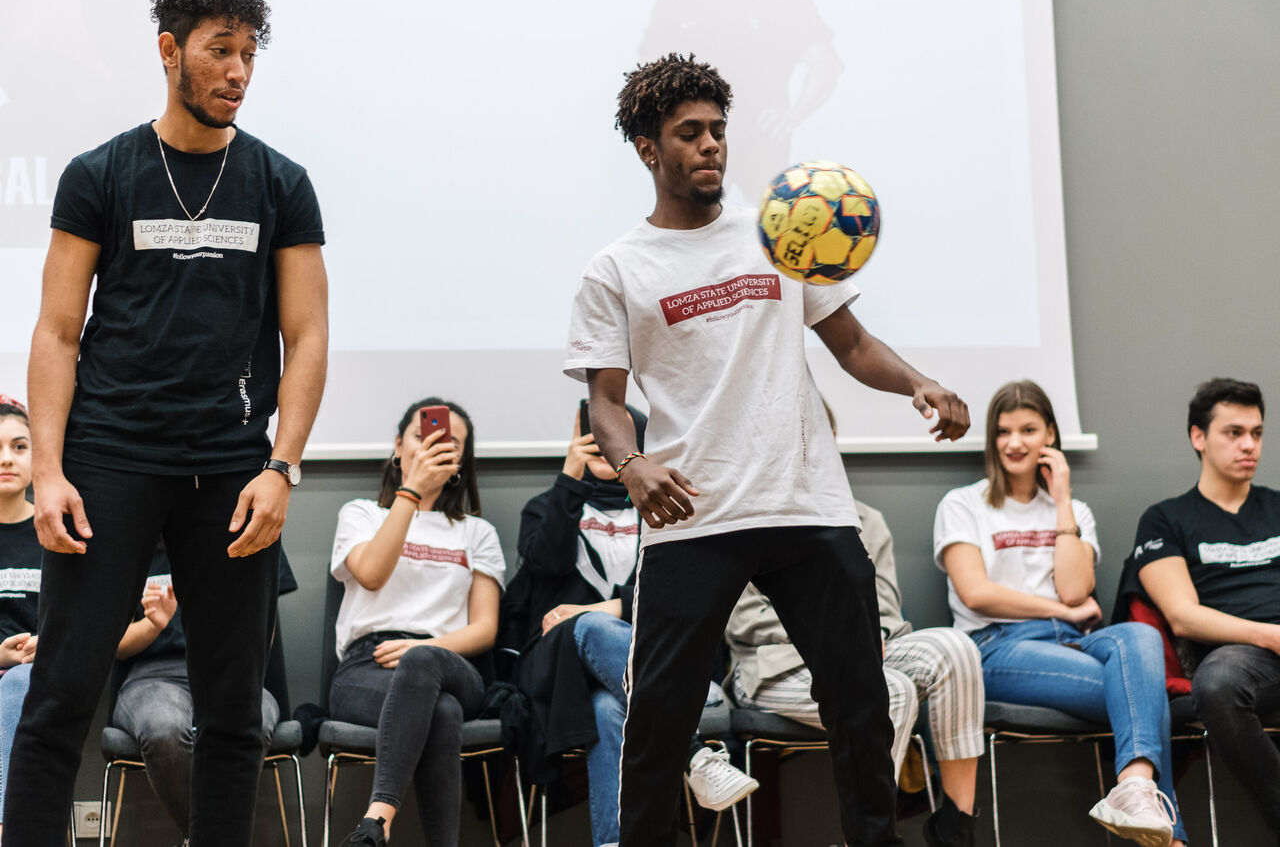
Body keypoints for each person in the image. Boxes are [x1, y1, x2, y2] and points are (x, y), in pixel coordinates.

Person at [564, 53, 969, 847]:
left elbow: (850, 343)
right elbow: (606, 403)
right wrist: (634, 464)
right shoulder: (616, 269)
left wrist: (921, 383)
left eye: (718, 129)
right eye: (690, 133)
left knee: (861, 701)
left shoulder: (776, 231)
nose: (712, 144)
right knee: (657, 720)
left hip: (806, 500)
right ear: (650, 149)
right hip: (694, 513)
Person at [7, 0, 328, 841]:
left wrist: (282, 466)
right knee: (59, 698)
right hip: (109, 459)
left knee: (230, 713)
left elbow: (307, 333)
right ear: (168, 50)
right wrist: (46, 469)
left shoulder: (281, 183)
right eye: (220, 51)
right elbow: (55, 329)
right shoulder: (99, 173)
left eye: (250, 54)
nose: (238, 72)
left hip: (230, 470)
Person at [934, 380, 1186, 847]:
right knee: (1142, 695)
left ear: (1049, 434)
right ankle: (1172, 840)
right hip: (994, 646)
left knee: (1141, 640)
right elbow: (976, 594)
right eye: (1003, 432)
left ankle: (1134, 788)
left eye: (1028, 429)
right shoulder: (963, 504)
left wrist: (1063, 497)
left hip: (1071, 640)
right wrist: (1059, 608)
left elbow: (1075, 587)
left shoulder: (1074, 511)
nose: (1014, 443)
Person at [505, 403, 756, 847]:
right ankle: (696, 754)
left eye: (611, 437)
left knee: (608, 709)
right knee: (591, 632)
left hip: (631, 666)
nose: (600, 444)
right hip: (554, 665)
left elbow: (674, 597)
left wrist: (595, 610)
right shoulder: (545, 507)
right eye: (591, 434)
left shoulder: (658, 509)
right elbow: (545, 564)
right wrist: (569, 481)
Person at [727, 497, 984, 847]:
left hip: (863, 647)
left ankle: (955, 831)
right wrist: (841, 634)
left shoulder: (865, 517)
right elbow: (745, 621)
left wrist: (868, 634)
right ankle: (869, 839)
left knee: (957, 649)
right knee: (890, 692)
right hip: (774, 665)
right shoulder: (745, 514)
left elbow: (887, 609)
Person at [330, 399, 504, 847]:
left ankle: (376, 822)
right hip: (366, 667)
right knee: (442, 713)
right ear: (397, 447)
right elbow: (370, 574)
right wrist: (411, 492)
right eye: (422, 436)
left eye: (450, 442)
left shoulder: (475, 532)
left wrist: (424, 650)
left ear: (461, 462)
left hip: (451, 661)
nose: (434, 446)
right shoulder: (361, 514)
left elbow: (485, 628)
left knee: (427, 663)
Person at [1128, 377, 1280, 834]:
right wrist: (1269, 634)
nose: (1248, 445)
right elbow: (1182, 615)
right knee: (1215, 685)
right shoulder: (1165, 519)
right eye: (1233, 433)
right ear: (1199, 437)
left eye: (1255, 433)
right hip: (1243, 653)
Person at [111, 543, 297, 844]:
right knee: (164, 729)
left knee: (253, 722)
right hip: (154, 675)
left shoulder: (243, 525)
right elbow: (116, 647)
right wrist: (153, 625)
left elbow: (266, 624)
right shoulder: (132, 527)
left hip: (232, 667)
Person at [0, 397, 38, 845]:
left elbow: (81, 622)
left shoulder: (57, 528)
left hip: (39, 679)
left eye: (20, 446)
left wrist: (47, 644)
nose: (6, 458)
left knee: (16, 684)